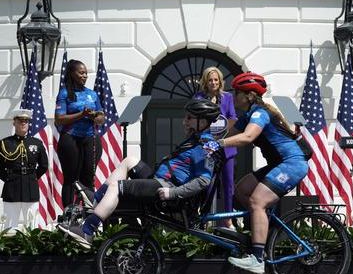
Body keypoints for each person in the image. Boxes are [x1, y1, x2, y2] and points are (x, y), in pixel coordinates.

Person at [58, 99, 220, 249]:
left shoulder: (205, 147)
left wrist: (173, 193)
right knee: (129, 161)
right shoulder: (195, 139)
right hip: (161, 179)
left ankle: (87, 230)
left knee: (116, 187)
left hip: (168, 188)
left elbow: (203, 180)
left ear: (203, 122)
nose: (185, 121)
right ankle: (96, 199)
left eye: (190, 118)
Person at [206, 72, 309, 274]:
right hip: (278, 164)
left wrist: (218, 144)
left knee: (257, 201)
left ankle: (258, 258)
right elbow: (228, 130)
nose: (233, 97)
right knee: (241, 190)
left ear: (249, 95)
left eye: (237, 93)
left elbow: (247, 137)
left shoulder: (259, 113)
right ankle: (265, 230)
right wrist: (201, 131)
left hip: (292, 164)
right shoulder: (248, 115)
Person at [54, 59, 105, 208]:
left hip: (90, 138)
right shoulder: (64, 93)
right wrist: (81, 114)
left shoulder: (92, 94)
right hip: (70, 139)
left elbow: (101, 118)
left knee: (88, 178)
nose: (85, 76)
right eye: (81, 73)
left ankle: (89, 213)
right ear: (72, 73)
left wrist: (95, 116)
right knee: (71, 179)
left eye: (86, 73)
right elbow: (59, 119)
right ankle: (69, 215)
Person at [194, 66, 237, 229]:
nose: (213, 82)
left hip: (226, 147)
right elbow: (194, 118)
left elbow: (233, 117)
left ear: (220, 82)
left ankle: (228, 219)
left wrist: (223, 131)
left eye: (216, 80)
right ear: (206, 81)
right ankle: (203, 219)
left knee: (228, 185)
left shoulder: (227, 97)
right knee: (206, 183)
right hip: (206, 148)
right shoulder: (198, 97)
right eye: (210, 79)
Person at [0, 109, 48, 229]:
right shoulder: (5, 143)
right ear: (14, 122)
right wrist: (8, 178)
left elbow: (44, 165)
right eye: (20, 120)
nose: (23, 123)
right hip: (11, 187)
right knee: (9, 226)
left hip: (30, 187)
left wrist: (32, 177)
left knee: (32, 225)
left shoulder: (36, 143)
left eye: (26, 121)